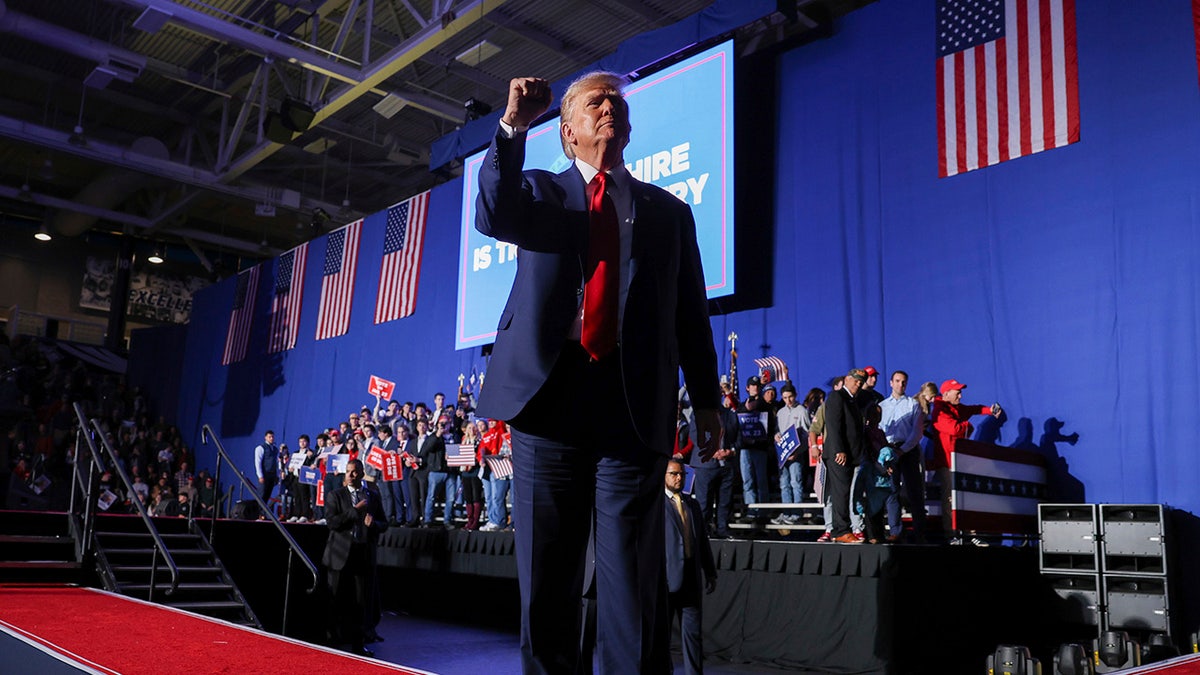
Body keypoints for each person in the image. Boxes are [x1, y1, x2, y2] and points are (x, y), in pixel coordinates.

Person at [474, 72, 722, 674]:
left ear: (629, 128)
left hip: (630, 408)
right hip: (548, 400)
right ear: (568, 133)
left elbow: (689, 311)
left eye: (616, 101)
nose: (609, 106)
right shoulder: (539, 193)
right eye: (594, 100)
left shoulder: (669, 213)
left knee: (632, 590)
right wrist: (512, 126)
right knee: (548, 582)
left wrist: (708, 401)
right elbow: (492, 211)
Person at [321, 459, 387, 656]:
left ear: (361, 473)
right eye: (347, 471)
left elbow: (385, 523)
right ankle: (331, 641)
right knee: (336, 599)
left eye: (353, 471)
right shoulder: (336, 495)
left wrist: (373, 524)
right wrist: (353, 512)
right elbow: (332, 522)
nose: (350, 475)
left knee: (361, 602)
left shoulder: (373, 496)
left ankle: (359, 645)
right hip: (340, 556)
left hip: (362, 554)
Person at [930, 379, 1002, 544]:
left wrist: (990, 410)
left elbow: (973, 409)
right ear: (946, 394)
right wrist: (968, 426)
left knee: (965, 498)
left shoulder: (954, 407)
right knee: (950, 499)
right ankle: (952, 535)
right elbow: (955, 429)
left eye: (961, 392)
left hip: (960, 462)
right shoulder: (939, 412)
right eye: (958, 392)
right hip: (947, 463)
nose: (961, 396)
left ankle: (970, 534)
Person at [663, 460, 716, 675]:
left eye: (682, 474)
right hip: (666, 581)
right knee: (661, 638)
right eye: (674, 474)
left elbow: (701, 540)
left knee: (693, 637)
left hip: (691, 580)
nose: (679, 478)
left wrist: (709, 571)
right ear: (664, 476)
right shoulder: (656, 505)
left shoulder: (691, 505)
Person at [879, 370, 926, 542]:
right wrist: (887, 451)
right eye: (897, 381)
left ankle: (920, 532)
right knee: (891, 490)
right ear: (891, 383)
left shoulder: (913, 405)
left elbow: (917, 432)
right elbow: (880, 431)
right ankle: (895, 531)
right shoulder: (883, 406)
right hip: (890, 450)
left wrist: (903, 450)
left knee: (914, 491)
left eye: (903, 382)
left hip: (908, 450)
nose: (900, 384)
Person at [823, 369, 868, 543]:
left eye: (861, 382)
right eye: (856, 380)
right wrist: (838, 450)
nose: (858, 384)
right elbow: (834, 426)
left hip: (852, 454)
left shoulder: (853, 401)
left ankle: (841, 529)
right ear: (847, 379)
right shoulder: (837, 397)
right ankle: (841, 530)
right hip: (839, 454)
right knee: (840, 492)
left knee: (846, 492)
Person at [253, 430, 279, 504]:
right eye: (269, 437)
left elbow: (276, 463)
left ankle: (263, 514)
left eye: (272, 437)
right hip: (265, 474)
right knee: (261, 494)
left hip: (272, 475)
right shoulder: (260, 448)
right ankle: (258, 513)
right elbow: (258, 462)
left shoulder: (275, 449)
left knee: (268, 494)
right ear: (265, 438)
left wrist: (276, 475)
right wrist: (260, 476)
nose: (271, 438)